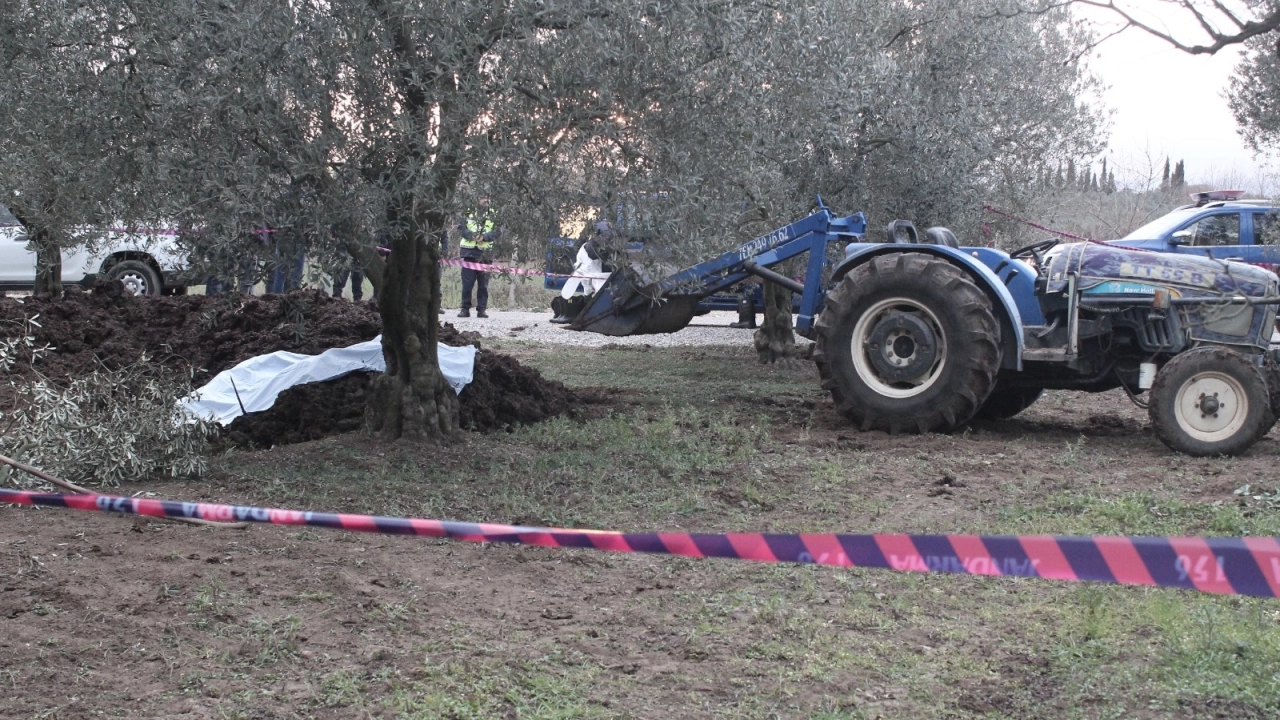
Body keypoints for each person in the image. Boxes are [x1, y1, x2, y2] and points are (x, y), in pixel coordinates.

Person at [551, 220, 614, 324]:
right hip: (589, 260)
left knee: (593, 285)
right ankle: (589, 310)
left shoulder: (594, 241)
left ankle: (590, 309)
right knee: (593, 285)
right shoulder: (590, 247)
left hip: (591, 261)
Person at [457, 198, 499, 318]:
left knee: (483, 285)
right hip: (469, 252)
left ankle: (482, 309)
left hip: (486, 254)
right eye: (482, 197)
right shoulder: (468, 211)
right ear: (477, 199)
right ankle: (464, 308)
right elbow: (461, 228)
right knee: (467, 284)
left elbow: (497, 232)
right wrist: (472, 236)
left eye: (487, 197)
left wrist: (484, 237)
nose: (485, 200)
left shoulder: (494, 213)